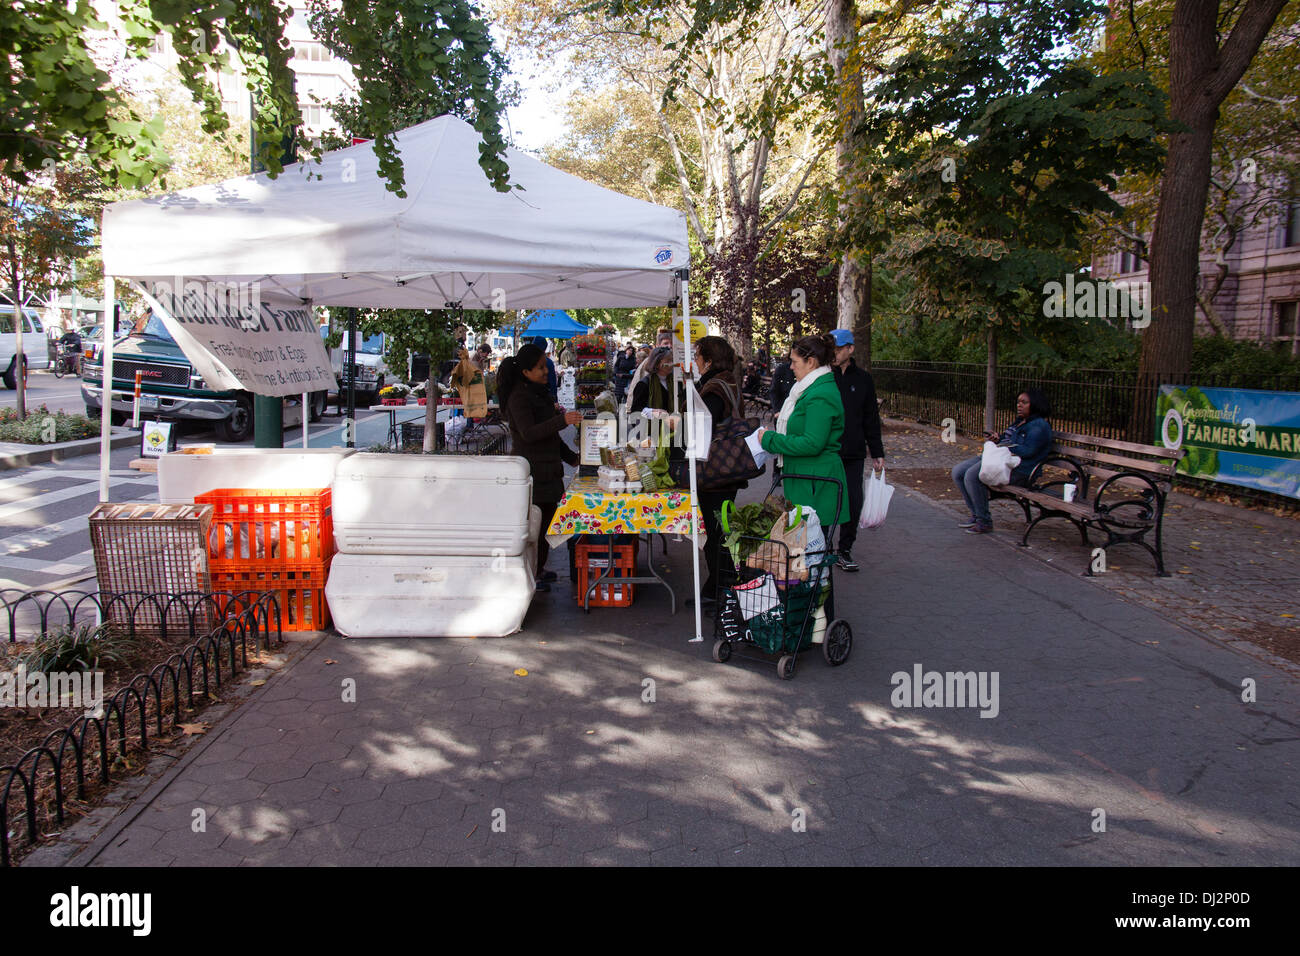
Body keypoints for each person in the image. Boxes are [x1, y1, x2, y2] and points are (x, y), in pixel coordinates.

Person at [499, 344, 583, 591]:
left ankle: (538, 569)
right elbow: (529, 433)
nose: (546, 371)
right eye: (540, 368)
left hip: (550, 471)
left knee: (546, 525)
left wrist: (572, 458)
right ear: (525, 372)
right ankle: (529, 576)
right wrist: (562, 420)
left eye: (545, 365)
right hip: (532, 471)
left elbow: (551, 437)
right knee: (533, 528)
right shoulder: (519, 397)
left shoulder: (539, 392)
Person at [755, 334, 848, 543]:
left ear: (811, 362)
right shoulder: (809, 389)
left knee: (812, 550)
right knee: (804, 551)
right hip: (806, 477)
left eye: (794, 361)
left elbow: (812, 443)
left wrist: (770, 439)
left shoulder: (820, 393)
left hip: (815, 481)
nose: (790, 367)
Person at [691, 336, 748, 604]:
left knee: (716, 533)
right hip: (724, 470)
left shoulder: (716, 387)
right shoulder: (725, 381)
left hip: (717, 471)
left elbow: (704, 424)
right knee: (718, 531)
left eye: (698, 355)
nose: (695, 359)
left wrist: (675, 424)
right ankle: (718, 586)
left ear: (709, 360)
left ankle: (720, 590)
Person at [951, 388, 1053, 534]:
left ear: (1035, 404)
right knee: (958, 472)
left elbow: (1028, 451)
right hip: (1001, 458)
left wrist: (1006, 446)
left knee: (972, 475)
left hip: (1020, 468)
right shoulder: (1021, 422)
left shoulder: (1039, 426)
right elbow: (1009, 439)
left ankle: (984, 521)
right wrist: (998, 439)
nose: (1019, 405)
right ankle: (976, 513)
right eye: (1018, 402)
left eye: (1024, 402)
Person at [829, 329, 884, 572]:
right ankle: (821, 548)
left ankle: (845, 549)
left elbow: (871, 416)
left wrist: (877, 451)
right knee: (827, 500)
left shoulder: (863, 379)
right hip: (828, 451)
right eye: (831, 349)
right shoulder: (824, 376)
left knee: (853, 501)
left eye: (838, 349)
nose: (834, 354)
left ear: (850, 349)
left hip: (853, 451)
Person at [629, 346, 680, 413]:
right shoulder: (644, 384)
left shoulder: (676, 382)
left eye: (672, 360)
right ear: (656, 363)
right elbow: (635, 411)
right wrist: (653, 412)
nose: (672, 364)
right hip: (652, 423)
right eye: (668, 361)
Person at [530, 336, 559, 403]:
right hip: (544, 398)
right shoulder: (548, 362)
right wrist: (554, 400)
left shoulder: (528, 360)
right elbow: (552, 384)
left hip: (531, 398)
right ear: (545, 348)